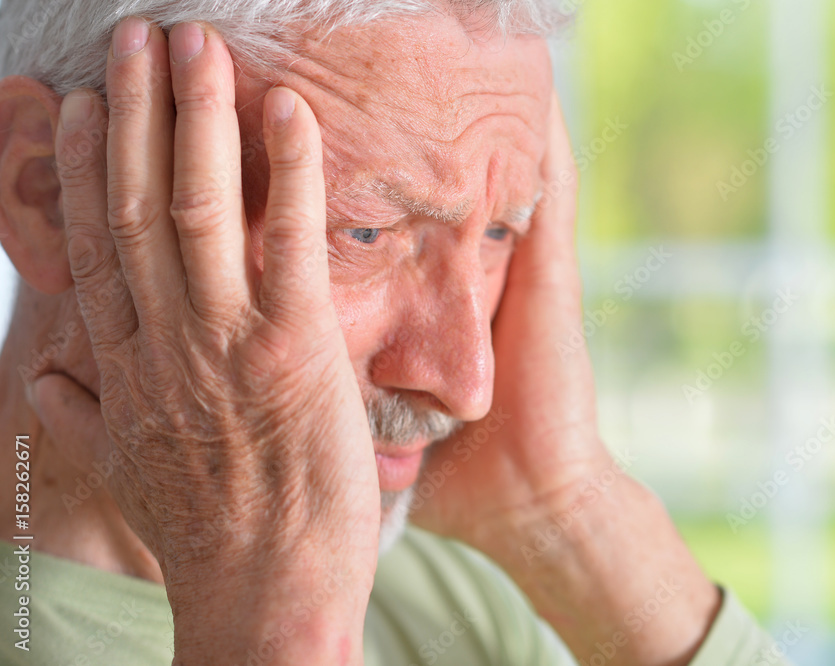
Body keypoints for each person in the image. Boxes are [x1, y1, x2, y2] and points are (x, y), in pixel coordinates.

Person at [0, 1, 790, 664]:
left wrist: (568, 513)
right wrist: (279, 628)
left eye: (498, 232)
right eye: (367, 232)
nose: (465, 380)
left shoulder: (453, 599)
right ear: (47, 194)